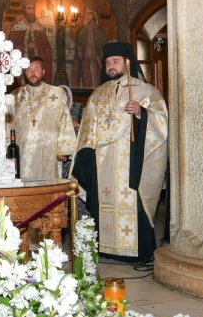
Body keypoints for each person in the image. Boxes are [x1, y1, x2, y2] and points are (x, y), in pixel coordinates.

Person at [72, 42, 168, 262]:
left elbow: (162, 123)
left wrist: (142, 113)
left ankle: (135, 252)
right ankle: (105, 248)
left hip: (130, 163)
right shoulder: (98, 94)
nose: (110, 66)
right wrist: (85, 159)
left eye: (115, 61)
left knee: (132, 204)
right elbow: (88, 130)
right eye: (107, 63)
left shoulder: (145, 91)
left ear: (127, 62)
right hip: (102, 163)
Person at [13, 57, 77, 180]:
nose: (32, 73)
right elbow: (8, 124)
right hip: (22, 150)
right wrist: (6, 150)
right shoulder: (16, 95)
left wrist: (63, 149)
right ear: (24, 73)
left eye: (36, 69)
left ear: (43, 72)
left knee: (47, 189)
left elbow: (63, 120)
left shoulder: (56, 93)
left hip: (48, 150)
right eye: (28, 70)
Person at [8, 0, 54, 80]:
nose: (31, 11)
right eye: (29, 8)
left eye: (33, 8)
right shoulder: (17, 28)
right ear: (24, 10)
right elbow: (10, 49)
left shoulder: (39, 28)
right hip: (21, 67)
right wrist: (27, 47)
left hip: (36, 69)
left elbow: (46, 51)